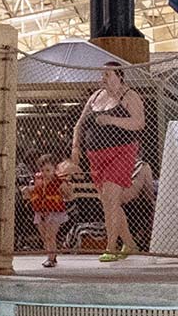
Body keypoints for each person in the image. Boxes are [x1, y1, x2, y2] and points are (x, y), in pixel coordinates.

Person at [69, 62, 147, 263]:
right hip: (96, 156)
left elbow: (139, 122)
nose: (102, 77)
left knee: (111, 200)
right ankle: (129, 244)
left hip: (121, 152)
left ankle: (110, 246)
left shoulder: (129, 96)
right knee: (108, 202)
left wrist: (112, 120)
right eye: (101, 74)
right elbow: (79, 124)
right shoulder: (95, 97)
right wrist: (75, 148)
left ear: (119, 76)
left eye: (107, 74)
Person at [28, 154, 72, 267]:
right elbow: (30, 193)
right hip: (41, 212)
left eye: (48, 170)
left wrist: (67, 189)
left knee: (50, 235)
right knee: (44, 236)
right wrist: (28, 191)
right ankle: (53, 254)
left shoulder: (59, 182)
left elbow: (69, 196)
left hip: (54, 212)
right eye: (42, 170)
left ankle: (50, 259)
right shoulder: (37, 180)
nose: (45, 173)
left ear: (54, 170)